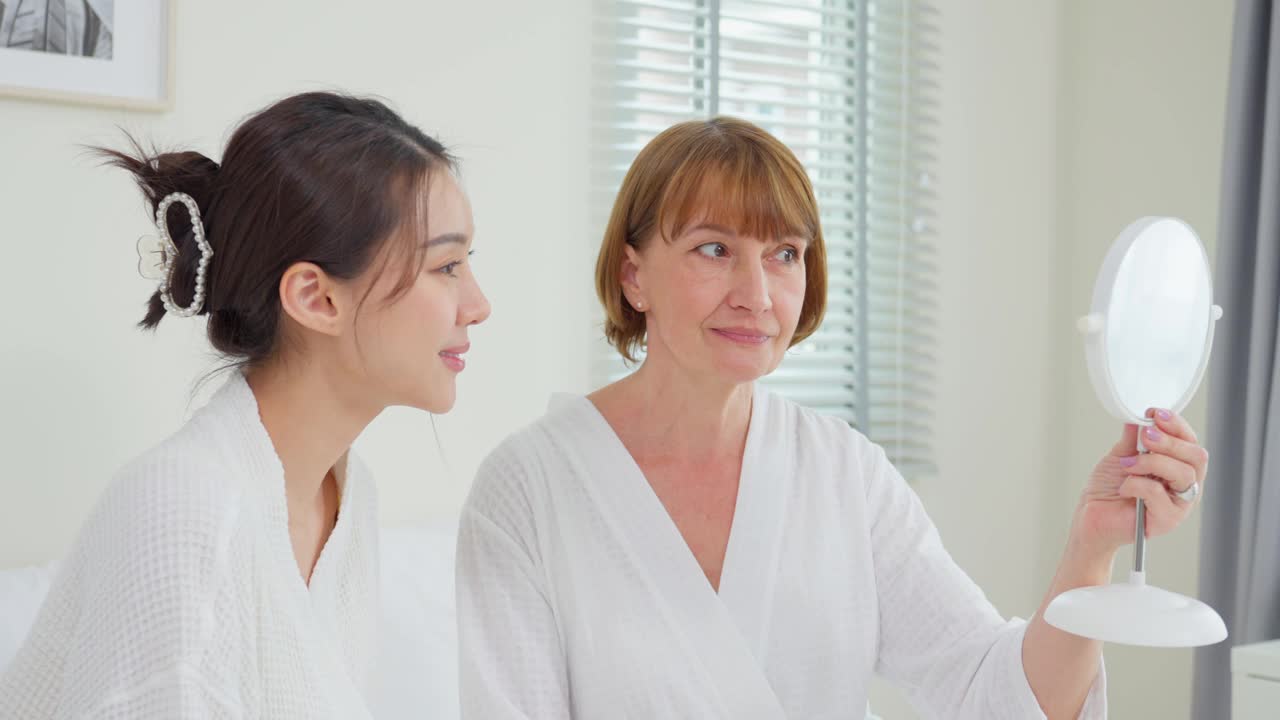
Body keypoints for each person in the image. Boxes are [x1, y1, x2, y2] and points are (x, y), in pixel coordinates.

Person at [456, 117, 1208, 718]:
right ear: (632, 274)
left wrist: (1091, 547)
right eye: (714, 249)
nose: (757, 292)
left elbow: (998, 699)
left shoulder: (845, 474)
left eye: (784, 254)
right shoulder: (530, 489)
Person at [0, 91, 490, 718]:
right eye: (446, 266)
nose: (478, 305)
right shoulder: (185, 516)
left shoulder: (345, 497)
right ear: (316, 298)